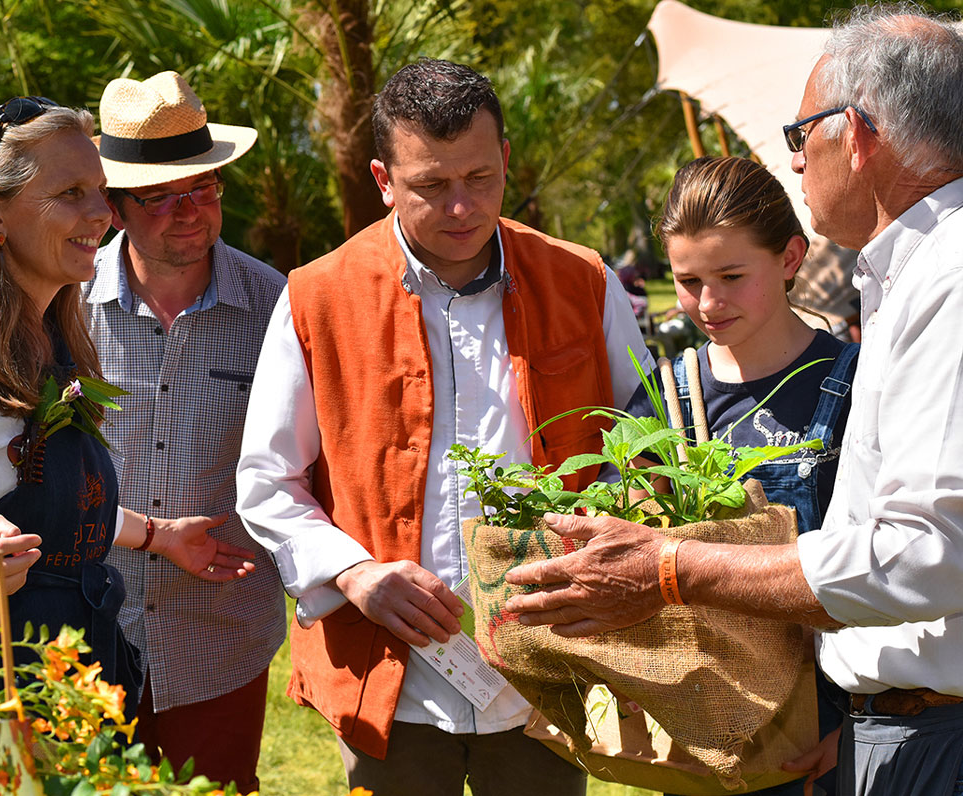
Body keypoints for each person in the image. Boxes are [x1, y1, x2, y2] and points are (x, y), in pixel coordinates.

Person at [504, 7, 963, 795]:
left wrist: (670, 567)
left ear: (853, 134)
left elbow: (929, 552)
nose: (794, 164)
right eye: (688, 282)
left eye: (800, 136)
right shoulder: (911, 275)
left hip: (929, 735)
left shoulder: (947, 280)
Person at [236, 58, 652, 796]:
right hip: (388, 681)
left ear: (506, 162)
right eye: (431, 185)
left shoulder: (582, 279)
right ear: (383, 178)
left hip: (543, 676)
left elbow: (647, 443)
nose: (462, 207)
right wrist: (354, 572)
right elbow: (267, 479)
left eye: (480, 178)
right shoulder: (316, 296)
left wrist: (603, 537)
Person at [0, 97, 253, 713]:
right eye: (71, 193)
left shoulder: (59, 338)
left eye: (101, 190)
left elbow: (57, 503)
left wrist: (156, 534)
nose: (104, 214)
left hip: (73, 680)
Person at [83, 71, 287, 791]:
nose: (189, 210)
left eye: (202, 187)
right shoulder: (62, 308)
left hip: (222, 633)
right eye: (160, 196)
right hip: (86, 629)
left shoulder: (277, 307)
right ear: (113, 208)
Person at [630, 155, 855, 796]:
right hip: (712, 736)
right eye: (688, 280)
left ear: (789, 258)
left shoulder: (858, 382)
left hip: (840, 734)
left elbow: (902, 557)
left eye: (731, 275)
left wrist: (859, 730)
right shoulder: (665, 400)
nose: (708, 303)